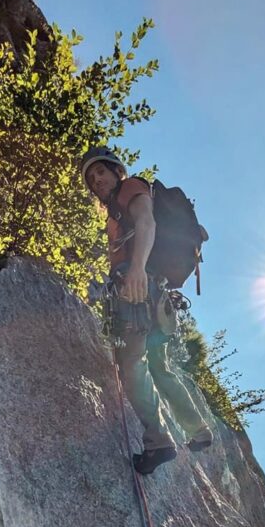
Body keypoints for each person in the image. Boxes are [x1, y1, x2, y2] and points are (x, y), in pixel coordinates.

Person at [80, 146, 213, 474]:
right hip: (158, 296)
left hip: (139, 289)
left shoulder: (131, 189)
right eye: (91, 177)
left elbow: (147, 222)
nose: (97, 180)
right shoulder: (113, 213)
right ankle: (198, 430)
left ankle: (158, 442)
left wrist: (137, 268)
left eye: (101, 172)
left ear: (116, 171)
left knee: (132, 364)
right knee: (160, 364)